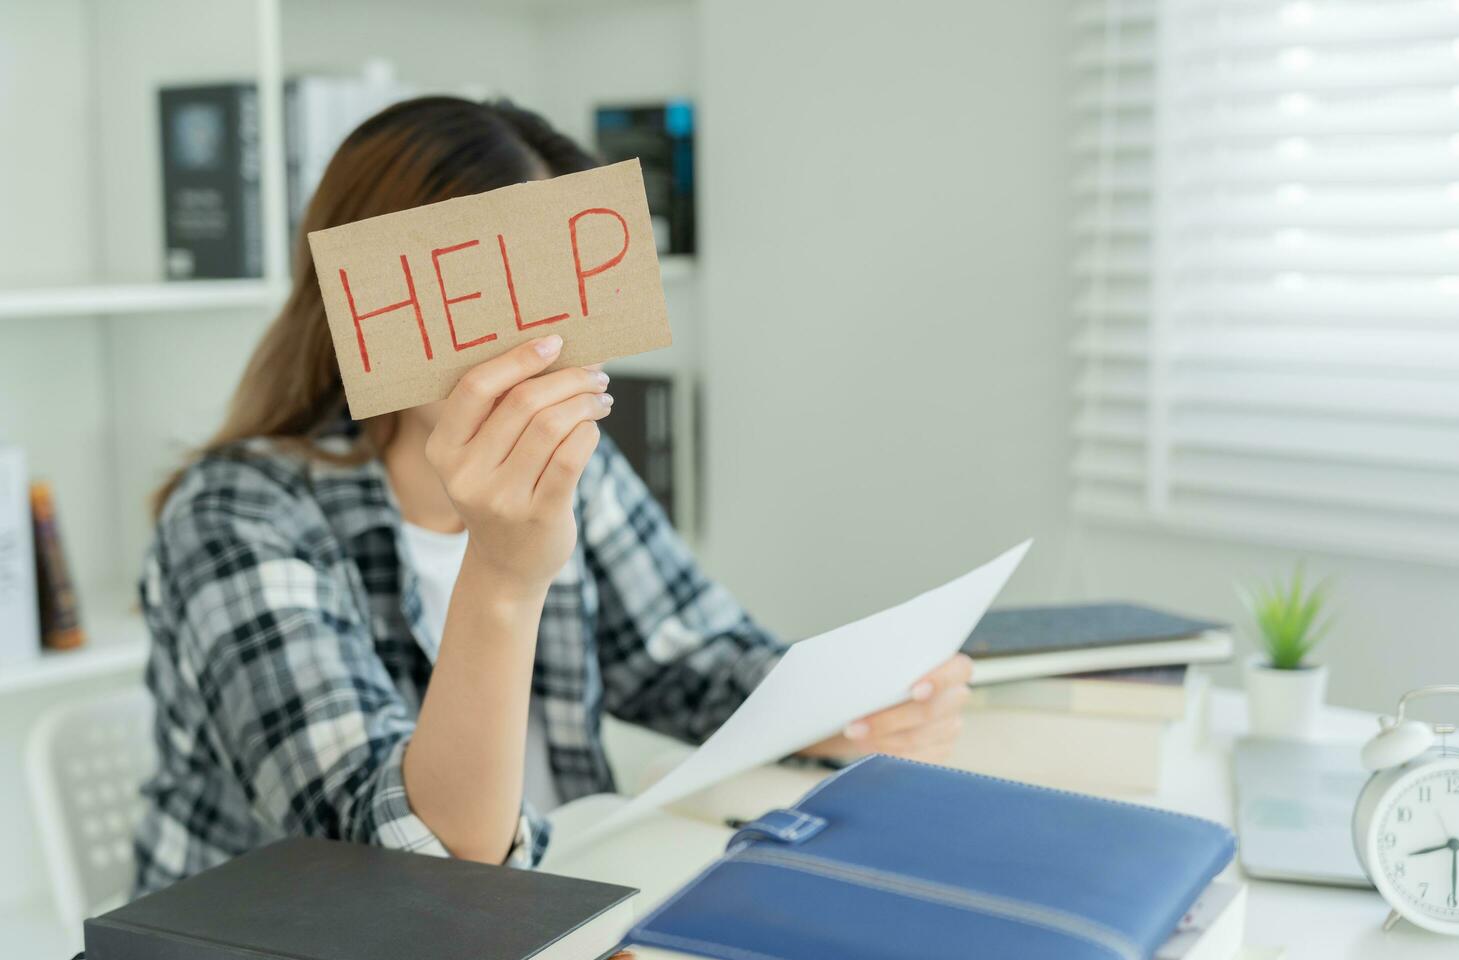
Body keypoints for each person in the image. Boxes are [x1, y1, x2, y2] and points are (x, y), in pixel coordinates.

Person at [133, 96, 972, 894]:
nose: (526, 337)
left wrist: (846, 709)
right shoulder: (235, 515)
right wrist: (505, 571)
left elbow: (693, 660)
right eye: (483, 293)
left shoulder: (575, 465)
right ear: (369, 308)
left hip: (563, 909)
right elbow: (412, 870)